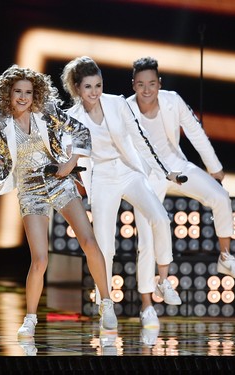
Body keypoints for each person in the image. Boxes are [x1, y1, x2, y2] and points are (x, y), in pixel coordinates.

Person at [0, 65, 118, 337]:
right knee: (39, 260)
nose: (23, 97)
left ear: (35, 94)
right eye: (18, 91)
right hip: (30, 191)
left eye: (28, 92)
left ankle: (106, 304)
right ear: (8, 93)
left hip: (59, 181)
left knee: (89, 241)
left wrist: (71, 163)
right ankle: (30, 319)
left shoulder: (47, 111)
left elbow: (81, 132)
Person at [61, 56, 184, 329]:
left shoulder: (117, 103)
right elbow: (69, 154)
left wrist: (165, 171)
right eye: (88, 87)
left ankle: (163, 280)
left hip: (128, 171)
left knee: (160, 218)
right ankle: (105, 303)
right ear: (77, 89)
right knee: (104, 246)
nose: (95, 92)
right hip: (102, 178)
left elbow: (141, 139)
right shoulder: (72, 118)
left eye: (98, 85)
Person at [127, 56, 235, 291]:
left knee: (220, 197)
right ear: (133, 84)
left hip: (177, 166)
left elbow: (195, 132)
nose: (146, 89)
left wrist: (214, 168)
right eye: (141, 84)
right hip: (147, 177)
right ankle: (148, 303)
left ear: (159, 83)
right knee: (146, 241)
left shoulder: (173, 101)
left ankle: (225, 258)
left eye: (151, 83)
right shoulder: (125, 108)